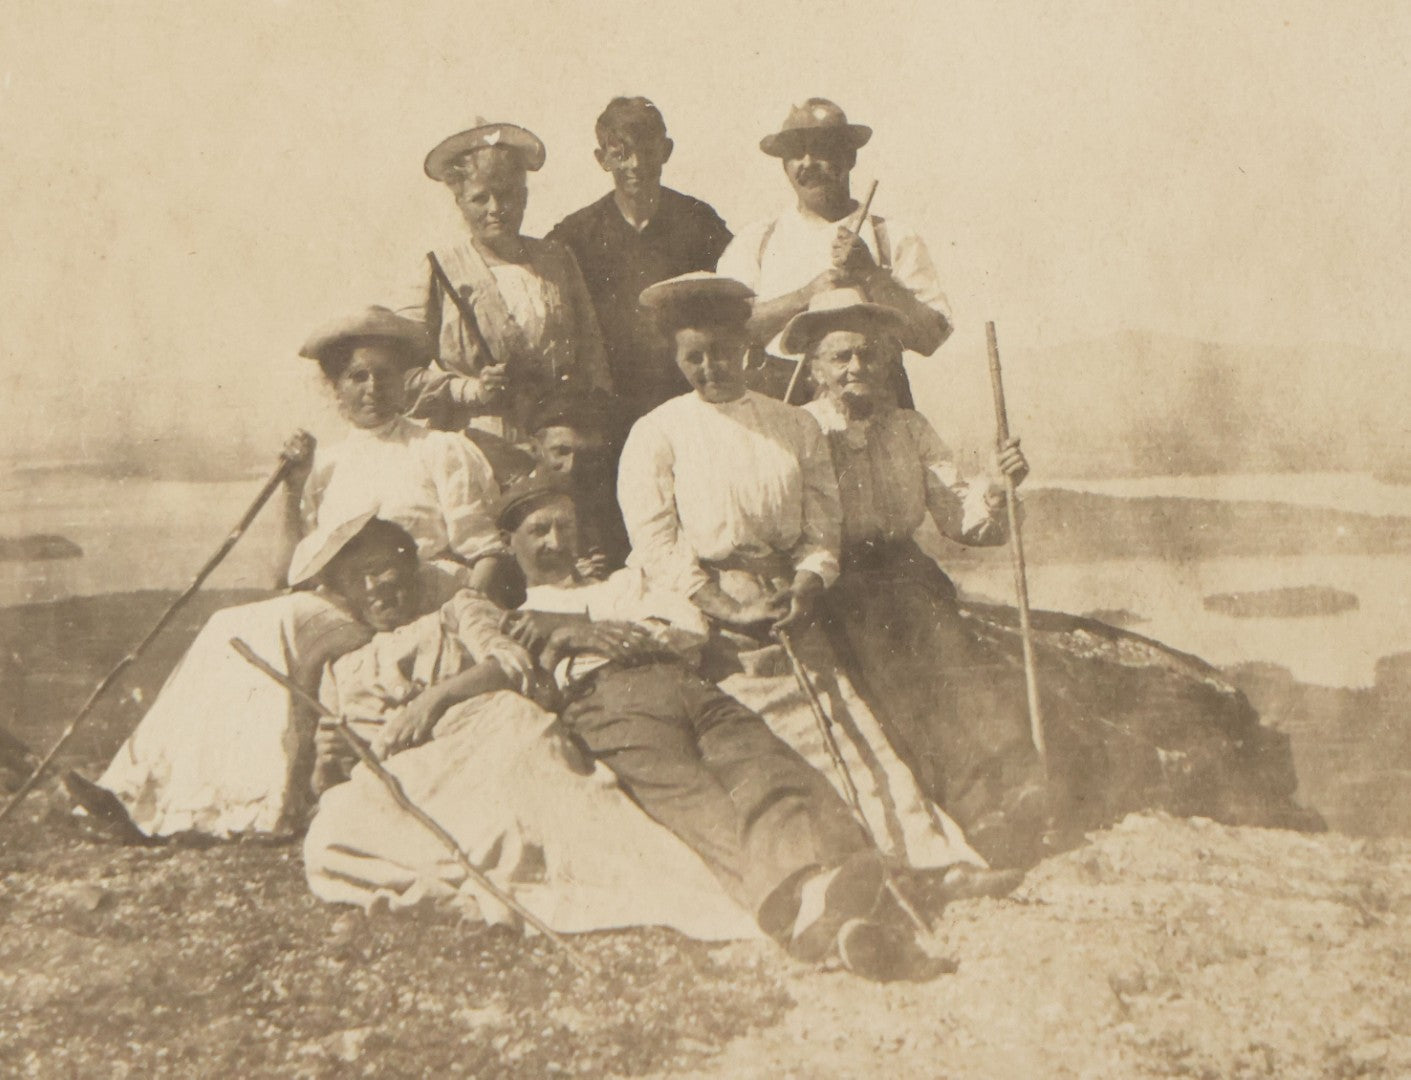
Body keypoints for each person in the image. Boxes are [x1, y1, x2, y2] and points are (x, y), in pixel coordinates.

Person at [617, 273, 1017, 895]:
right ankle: (835, 876)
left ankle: (932, 860)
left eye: (722, 351)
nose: (709, 367)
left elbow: (822, 525)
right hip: (712, 609)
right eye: (693, 357)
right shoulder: (657, 432)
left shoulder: (792, 427)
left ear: (745, 349)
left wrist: (805, 584)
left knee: (850, 725)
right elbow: (657, 541)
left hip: (789, 599)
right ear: (676, 359)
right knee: (782, 741)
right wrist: (721, 603)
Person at [495, 476, 926, 976]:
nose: (555, 542)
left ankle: (823, 899)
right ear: (509, 544)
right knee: (697, 800)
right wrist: (581, 636)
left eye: (564, 527)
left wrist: (580, 631)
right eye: (538, 531)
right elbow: (533, 682)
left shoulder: (625, 583)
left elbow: (690, 628)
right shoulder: (516, 618)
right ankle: (815, 905)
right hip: (609, 705)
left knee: (766, 765)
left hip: (688, 685)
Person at [783, 288, 1049, 863]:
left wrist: (999, 493)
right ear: (814, 368)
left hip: (905, 571)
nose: (858, 368)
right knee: (896, 681)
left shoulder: (909, 427)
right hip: (836, 581)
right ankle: (974, 812)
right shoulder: (798, 430)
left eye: (870, 355)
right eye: (841, 357)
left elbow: (959, 513)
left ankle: (1021, 787)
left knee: (955, 660)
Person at [73, 511, 452, 839]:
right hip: (343, 579)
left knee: (278, 626)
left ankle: (260, 803)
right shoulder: (337, 472)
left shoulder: (438, 457)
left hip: (387, 581)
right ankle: (136, 788)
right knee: (228, 625)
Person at [716, 98, 951, 404]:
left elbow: (932, 335)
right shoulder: (756, 241)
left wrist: (872, 275)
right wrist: (806, 296)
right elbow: (726, 331)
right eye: (795, 153)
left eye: (822, 149)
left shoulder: (893, 237)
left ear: (850, 157)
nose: (808, 163)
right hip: (780, 400)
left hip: (873, 398)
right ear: (783, 165)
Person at [284, 306, 515, 604]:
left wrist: (463, 615)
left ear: (402, 380)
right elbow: (289, 575)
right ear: (336, 388)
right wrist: (291, 489)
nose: (373, 387)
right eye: (358, 376)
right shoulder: (324, 467)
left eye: (384, 374)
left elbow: (486, 555)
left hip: (430, 604)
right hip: (352, 612)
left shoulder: (438, 450)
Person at [398, 119, 612, 442]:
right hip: (476, 443)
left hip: (557, 440)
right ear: (459, 202)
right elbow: (400, 377)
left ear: (524, 196)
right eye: (480, 198)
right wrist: (469, 390)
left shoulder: (558, 260)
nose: (495, 209)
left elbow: (594, 359)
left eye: (507, 194)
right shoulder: (439, 269)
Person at [547, 97, 733, 427]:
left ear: (666, 151)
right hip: (608, 407)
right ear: (602, 158)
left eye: (647, 150)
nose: (635, 164)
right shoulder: (575, 235)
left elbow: (733, 297)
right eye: (620, 153)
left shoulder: (699, 222)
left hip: (687, 397)